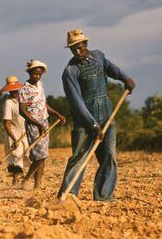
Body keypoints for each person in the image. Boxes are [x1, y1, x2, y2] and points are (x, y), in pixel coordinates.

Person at [58, 29, 135, 201]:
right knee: (79, 157)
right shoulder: (70, 71)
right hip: (84, 121)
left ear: (86, 44)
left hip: (107, 114)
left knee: (109, 156)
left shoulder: (99, 57)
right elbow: (77, 103)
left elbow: (112, 69)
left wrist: (125, 79)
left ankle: (103, 195)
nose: (78, 51)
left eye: (80, 47)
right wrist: (93, 124)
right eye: (73, 49)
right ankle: (68, 195)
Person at [19, 59, 66, 189]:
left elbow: (43, 104)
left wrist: (57, 113)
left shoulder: (40, 85)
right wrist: (37, 124)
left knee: (43, 155)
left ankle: (37, 183)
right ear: (29, 73)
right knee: (37, 155)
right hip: (33, 125)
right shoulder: (24, 89)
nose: (37, 76)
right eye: (35, 74)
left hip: (44, 122)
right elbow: (22, 111)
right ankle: (27, 178)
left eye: (40, 74)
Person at [1, 76, 29, 187]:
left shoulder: (24, 99)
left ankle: (27, 180)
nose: (14, 92)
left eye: (15, 89)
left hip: (26, 132)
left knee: (28, 155)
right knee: (16, 156)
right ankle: (15, 182)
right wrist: (14, 139)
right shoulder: (8, 103)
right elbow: (6, 124)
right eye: (11, 90)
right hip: (13, 132)